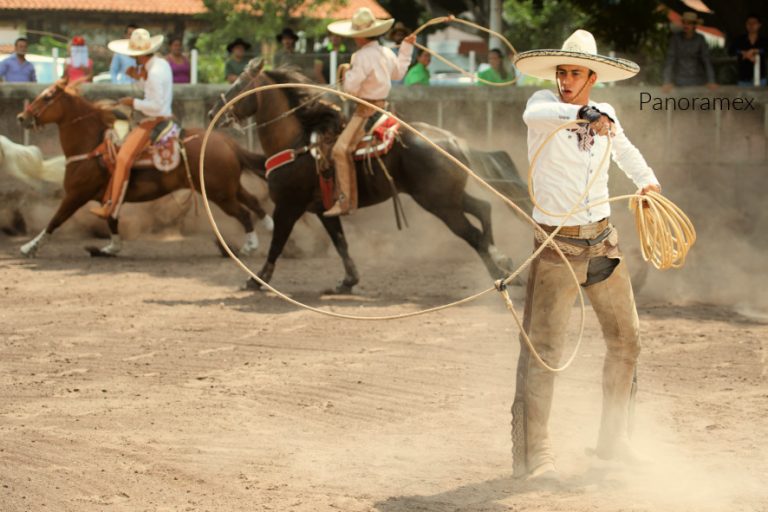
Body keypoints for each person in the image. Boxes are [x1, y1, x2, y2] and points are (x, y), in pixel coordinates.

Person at [511, 29, 661, 480]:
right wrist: (586, 113)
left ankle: (614, 440)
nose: (566, 79)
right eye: (562, 72)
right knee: (545, 350)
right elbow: (546, 114)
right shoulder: (541, 106)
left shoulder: (606, 116)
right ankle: (536, 453)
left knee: (626, 338)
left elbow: (624, 149)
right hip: (557, 244)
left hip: (601, 242)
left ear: (591, 76)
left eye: (575, 73)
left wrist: (648, 182)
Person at [322, 7, 414, 217]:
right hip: (384, 107)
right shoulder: (386, 52)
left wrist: (347, 72)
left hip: (365, 111)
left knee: (339, 150)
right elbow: (398, 73)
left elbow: (350, 90)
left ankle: (345, 201)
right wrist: (406, 49)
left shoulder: (361, 56)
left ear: (360, 37)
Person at [90, 28, 172, 219]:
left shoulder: (154, 73)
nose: (132, 59)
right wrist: (139, 78)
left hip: (155, 120)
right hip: (159, 116)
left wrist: (132, 102)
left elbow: (157, 106)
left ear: (140, 56)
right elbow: (154, 92)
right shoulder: (159, 65)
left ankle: (111, 207)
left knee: (122, 158)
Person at [662, 12, 717, 91]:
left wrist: (711, 81)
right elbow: (670, 60)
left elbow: (706, 60)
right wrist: (666, 82)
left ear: (694, 25)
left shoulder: (700, 39)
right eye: (684, 22)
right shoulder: (675, 39)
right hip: (679, 82)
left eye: (689, 23)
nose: (686, 25)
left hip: (698, 81)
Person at [729, 14, 767, 87]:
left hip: (761, 78)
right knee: (743, 98)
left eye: (754, 23)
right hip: (743, 78)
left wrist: (755, 51)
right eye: (749, 23)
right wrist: (744, 53)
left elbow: (766, 50)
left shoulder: (764, 40)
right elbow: (731, 51)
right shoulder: (740, 40)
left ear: (759, 25)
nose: (751, 25)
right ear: (746, 25)